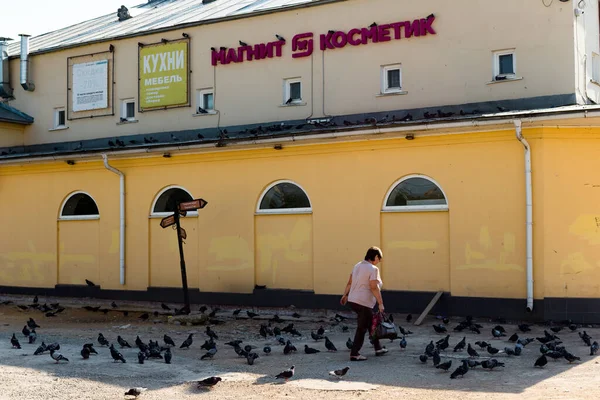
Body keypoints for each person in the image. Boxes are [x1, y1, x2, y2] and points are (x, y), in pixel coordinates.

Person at [340, 246, 387, 361]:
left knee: (371, 323)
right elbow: (374, 287)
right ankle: (354, 353)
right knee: (362, 328)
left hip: (353, 300)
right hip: (363, 302)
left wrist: (345, 295)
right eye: (379, 259)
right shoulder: (373, 269)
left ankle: (378, 348)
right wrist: (380, 304)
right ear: (375, 257)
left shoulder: (357, 266)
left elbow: (350, 282)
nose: (379, 262)